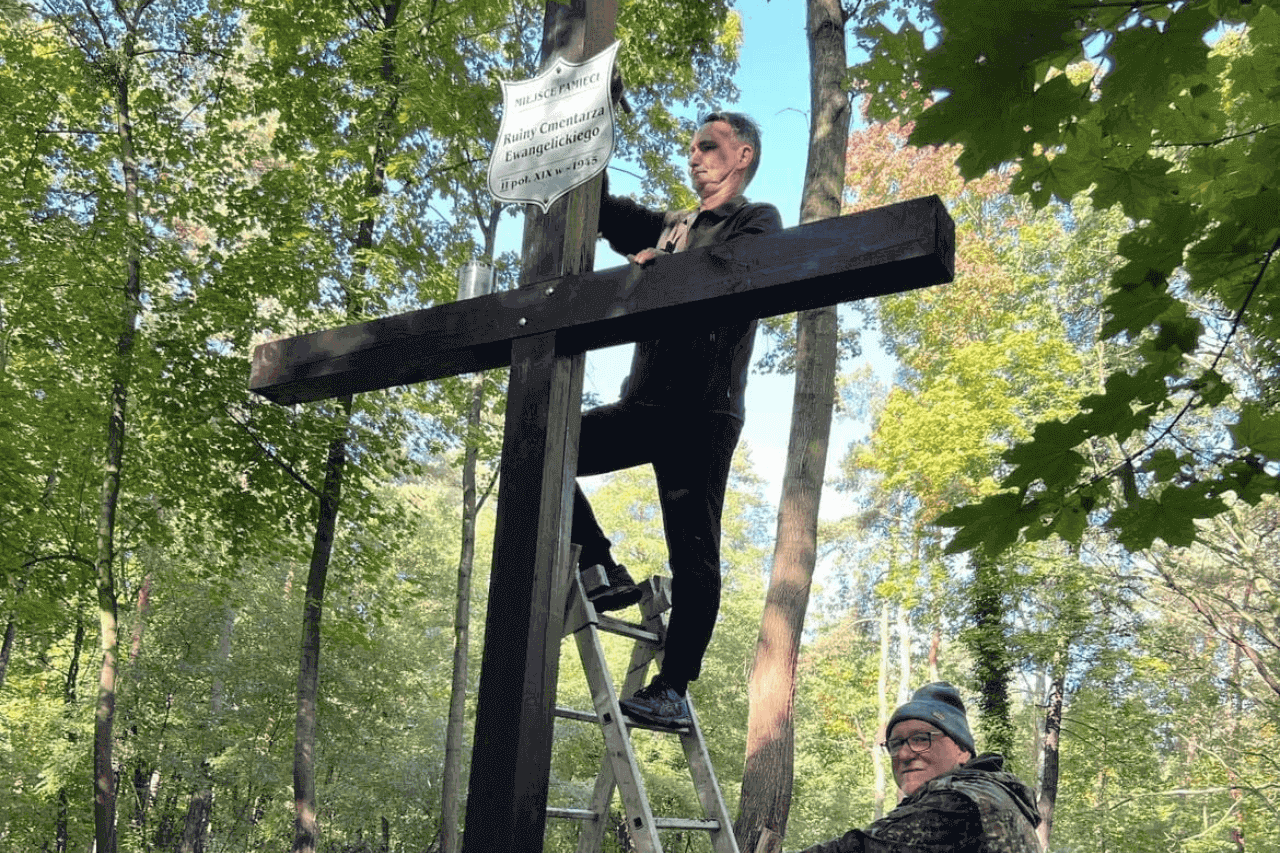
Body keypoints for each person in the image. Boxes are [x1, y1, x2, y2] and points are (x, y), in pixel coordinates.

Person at [572, 111, 783, 728]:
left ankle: (674, 688)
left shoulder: (754, 220)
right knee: (543, 447)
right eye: (691, 148)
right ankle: (598, 563)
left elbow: (735, 272)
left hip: (703, 411)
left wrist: (660, 271)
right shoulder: (670, 226)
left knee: (694, 551)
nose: (694, 157)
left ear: (741, 155)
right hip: (645, 404)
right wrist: (592, 118)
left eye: (708, 147)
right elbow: (604, 207)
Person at [794, 683, 1043, 853]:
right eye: (896, 743)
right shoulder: (991, 793)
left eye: (921, 739)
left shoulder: (963, 800)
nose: (904, 753)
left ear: (962, 750)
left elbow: (859, 849)